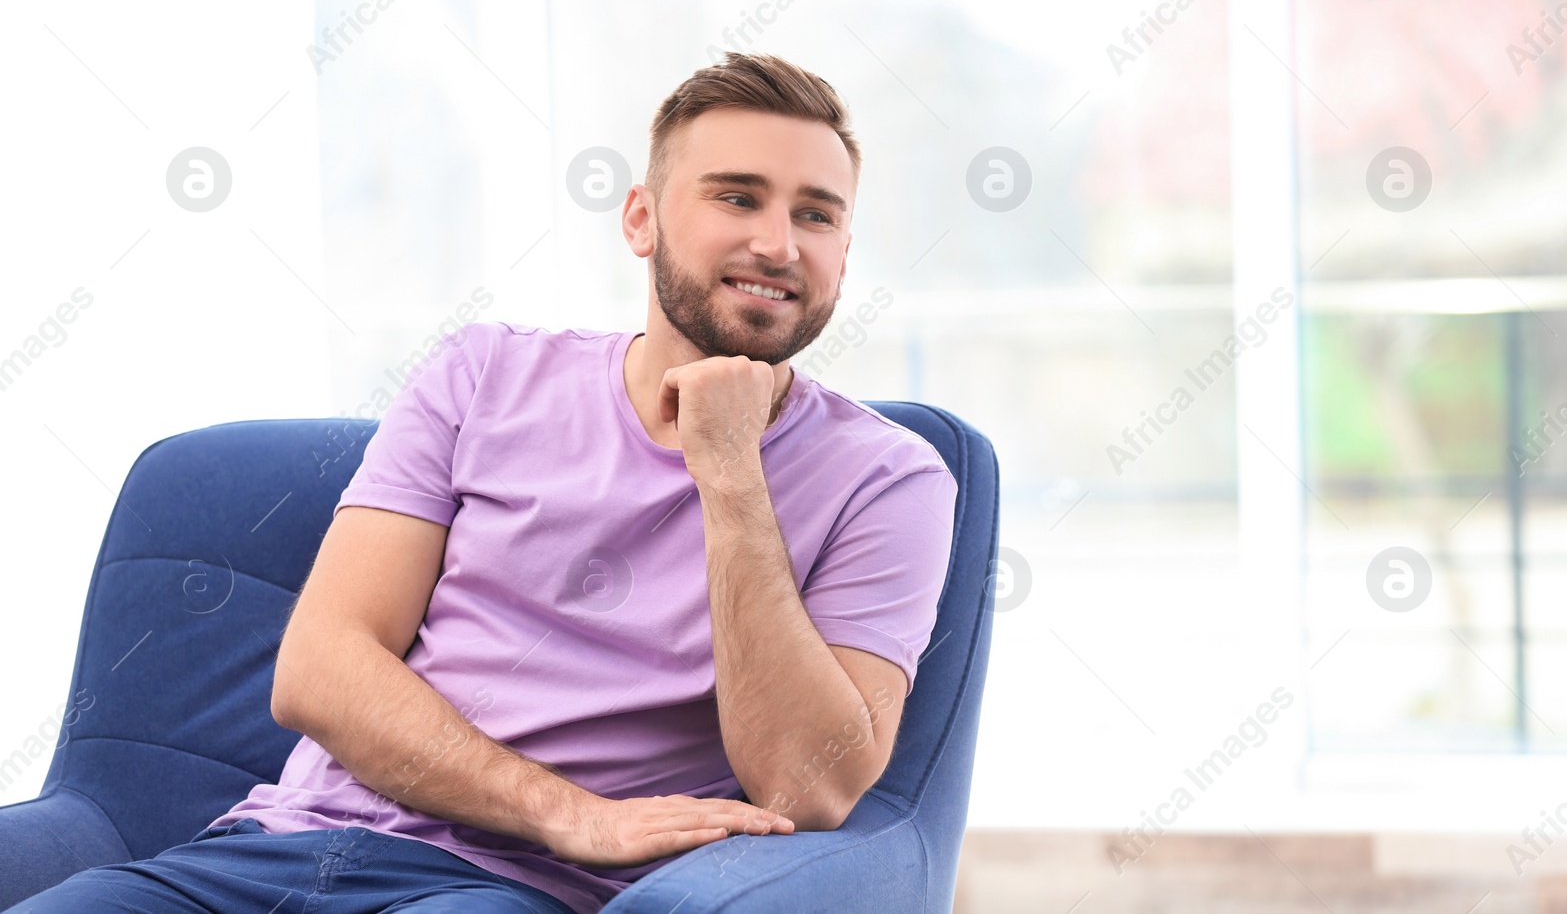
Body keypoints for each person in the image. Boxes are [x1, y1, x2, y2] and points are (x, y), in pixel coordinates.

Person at [13, 52, 958, 914]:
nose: (780, 242)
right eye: (738, 197)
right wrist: (569, 811)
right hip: (272, 847)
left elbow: (809, 784)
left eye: (817, 214)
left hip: (505, 893)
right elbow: (319, 670)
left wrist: (731, 471)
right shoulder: (485, 372)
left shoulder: (891, 477)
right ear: (642, 218)